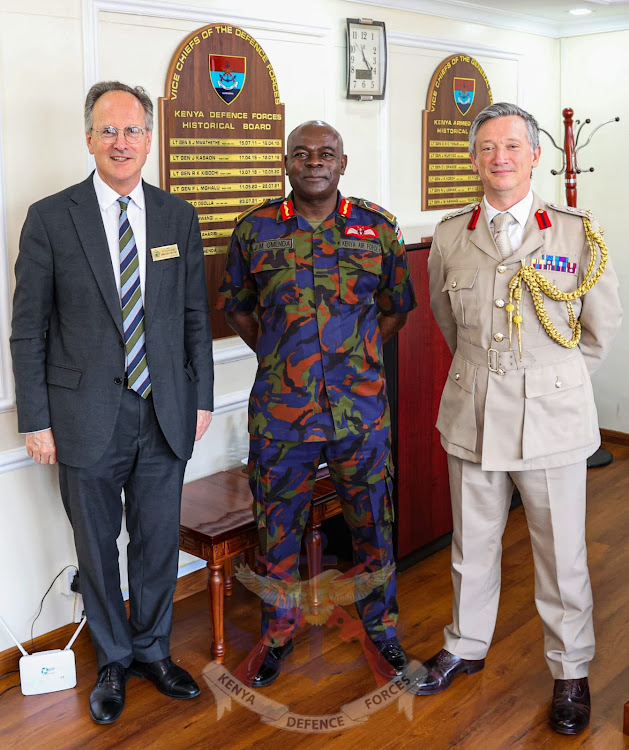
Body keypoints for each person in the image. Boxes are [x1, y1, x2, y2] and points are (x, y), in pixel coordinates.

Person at [412, 102, 621, 736]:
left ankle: (571, 668)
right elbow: (449, 325)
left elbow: (598, 331)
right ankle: (465, 644)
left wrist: (546, 382)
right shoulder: (451, 234)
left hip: (551, 418)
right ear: (474, 159)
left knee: (561, 554)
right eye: (486, 149)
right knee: (471, 544)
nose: (498, 158)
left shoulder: (575, 232)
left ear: (535, 155)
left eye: (511, 147)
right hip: (473, 412)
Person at [10, 81, 214, 724]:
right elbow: (27, 327)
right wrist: (35, 418)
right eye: (108, 130)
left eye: (133, 130)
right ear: (89, 138)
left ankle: (154, 650)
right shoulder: (50, 217)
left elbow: (193, 319)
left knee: (155, 543)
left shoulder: (177, 215)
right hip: (83, 418)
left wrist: (202, 398)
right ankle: (114, 662)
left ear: (150, 139)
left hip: (165, 412)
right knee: (97, 549)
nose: (121, 142)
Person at [218, 120, 417, 687]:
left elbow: (394, 309)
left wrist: (349, 358)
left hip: (361, 412)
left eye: (325, 153)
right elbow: (238, 309)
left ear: (343, 163)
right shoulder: (255, 230)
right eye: (301, 154)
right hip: (282, 414)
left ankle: (382, 632)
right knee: (277, 530)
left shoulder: (377, 229)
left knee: (373, 526)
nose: (313, 162)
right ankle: (276, 636)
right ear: (287, 163)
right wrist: (286, 357)